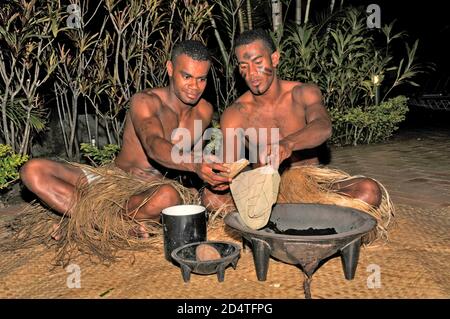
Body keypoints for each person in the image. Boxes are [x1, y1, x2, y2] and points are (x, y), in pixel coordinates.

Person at [19, 40, 230, 247]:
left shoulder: (204, 111)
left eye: (201, 79)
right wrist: (195, 164)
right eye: (187, 76)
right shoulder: (145, 101)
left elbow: (187, 162)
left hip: (152, 193)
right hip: (111, 181)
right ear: (170, 68)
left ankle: (91, 223)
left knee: (168, 196)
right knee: (33, 170)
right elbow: (153, 144)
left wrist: (209, 173)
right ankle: (110, 224)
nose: (195, 87)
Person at [202, 29, 393, 239]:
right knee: (211, 198)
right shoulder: (235, 113)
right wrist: (218, 172)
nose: (252, 73)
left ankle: (279, 228)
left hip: (313, 188)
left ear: (274, 58)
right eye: (244, 66)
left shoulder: (303, 93)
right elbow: (229, 165)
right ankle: (307, 226)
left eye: (258, 62)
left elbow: (323, 126)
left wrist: (287, 144)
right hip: (266, 196)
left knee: (368, 191)